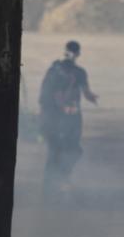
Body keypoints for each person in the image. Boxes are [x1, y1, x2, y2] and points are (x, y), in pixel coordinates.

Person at [38, 40, 98, 198]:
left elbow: (44, 96)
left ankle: (51, 185)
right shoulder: (78, 72)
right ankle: (60, 180)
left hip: (52, 117)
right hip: (69, 117)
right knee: (72, 150)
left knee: (56, 151)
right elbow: (87, 94)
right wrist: (92, 98)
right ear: (77, 54)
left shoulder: (53, 70)